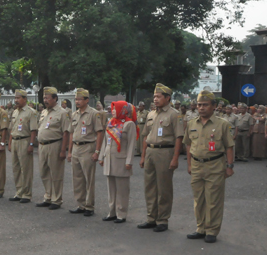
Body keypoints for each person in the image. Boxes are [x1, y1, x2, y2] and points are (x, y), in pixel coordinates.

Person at [183, 90, 235, 243]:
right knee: (199, 199)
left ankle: (212, 230)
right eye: (199, 105)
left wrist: (229, 166)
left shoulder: (222, 124)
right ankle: (201, 228)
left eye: (205, 105)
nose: (201, 108)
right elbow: (188, 145)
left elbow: (229, 147)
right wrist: (189, 164)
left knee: (213, 200)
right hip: (197, 165)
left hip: (215, 165)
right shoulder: (192, 123)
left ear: (214, 106)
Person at [138, 83, 184, 232]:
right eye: (154, 96)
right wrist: (143, 156)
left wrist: (175, 158)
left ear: (167, 98)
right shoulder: (151, 114)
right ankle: (151, 218)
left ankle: (162, 219)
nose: (155, 99)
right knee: (149, 187)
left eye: (158, 96)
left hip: (165, 152)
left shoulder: (174, 114)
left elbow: (179, 137)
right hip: (151, 151)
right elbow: (146, 136)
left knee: (164, 187)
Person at [67, 88, 104, 216]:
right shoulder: (74, 114)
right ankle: (80, 204)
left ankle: (89, 206)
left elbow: (99, 132)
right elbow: (71, 133)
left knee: (89, 178)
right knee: (77, 178)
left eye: (79, 99)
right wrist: (69, 151)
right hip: (76, 148)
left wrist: (97, 151)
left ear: (87, 100)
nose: (77, 101)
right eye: (76, 99)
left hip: (88, 147)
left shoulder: (94, 114)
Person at [98, 101, 138, 223]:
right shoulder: (111, 122)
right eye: (112, 109)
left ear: (122, 110)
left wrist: (129, 161)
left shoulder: (129, 124)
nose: (113, 111)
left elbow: (132, 143)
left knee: (122, 189)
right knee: (111, 188)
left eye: (115, 109)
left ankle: (121, 213)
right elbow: (105, 141)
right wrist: (101, 156)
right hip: (110, 159)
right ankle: (112, 212)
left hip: (122, 160)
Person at [35, 87, 70, 210]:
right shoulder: (44, 112)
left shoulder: (62, 113)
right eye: (44, 98)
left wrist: (63, 150)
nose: (45, 100)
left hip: (55, 145)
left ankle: (56, 199)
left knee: (56, 173)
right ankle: (48, 197)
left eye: (47, 98)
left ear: (55, 98)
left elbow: (66, 132)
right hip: (43, 145)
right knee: (44, 172)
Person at [7, 89, 38, 203]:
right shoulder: (15, 112)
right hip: (15, 140)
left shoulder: (31, 112)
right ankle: (18, 192)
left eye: (18, 98)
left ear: (25, 99)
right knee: (16, 168)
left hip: (25, 140)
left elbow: (33, 130)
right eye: (15, 98)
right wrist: (9, 143)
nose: (16, 100)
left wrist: (31, 144)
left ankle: (26, 194)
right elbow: (12, 129)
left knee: (26, 168)